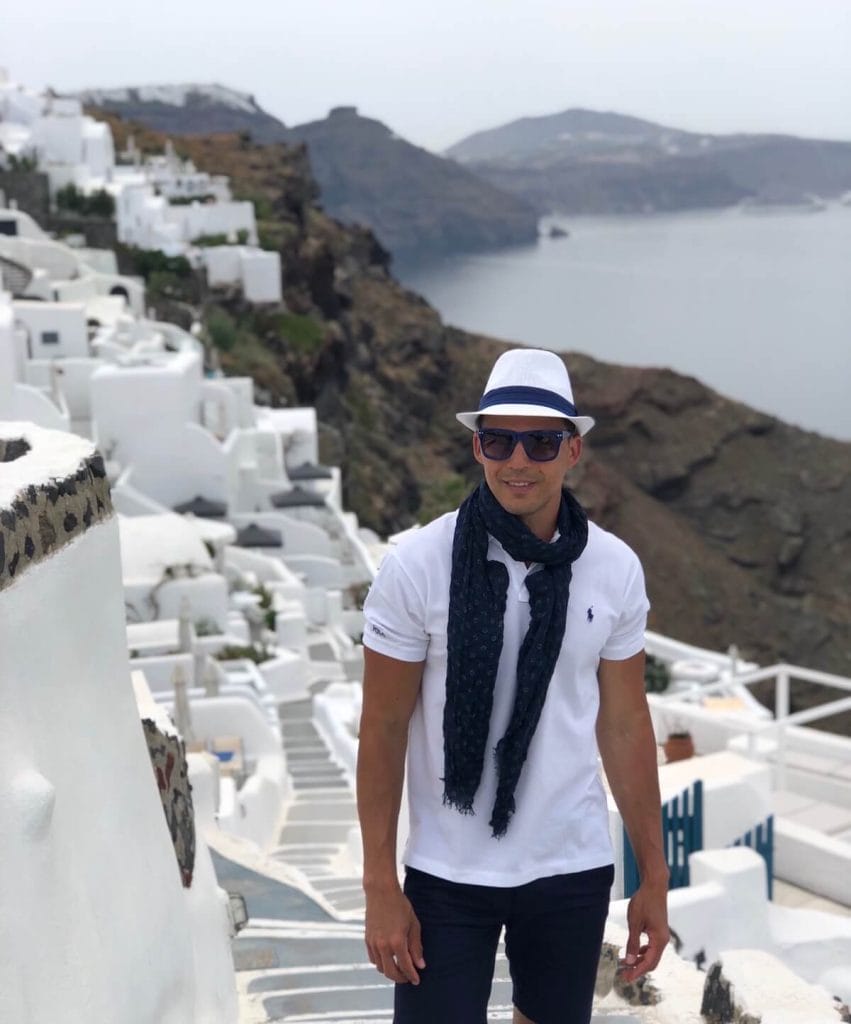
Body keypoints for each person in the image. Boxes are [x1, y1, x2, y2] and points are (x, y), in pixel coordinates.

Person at [356, 348, 669, 1024]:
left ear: (572, 451)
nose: (517, 459)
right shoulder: (416, 567)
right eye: (499, 438)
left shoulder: (613, 570)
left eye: (541, 441)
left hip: (570, 868)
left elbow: (623, 725)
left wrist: (654, 874)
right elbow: (381, 727)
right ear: (477, 446)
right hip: (447, 873)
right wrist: (379, 882)